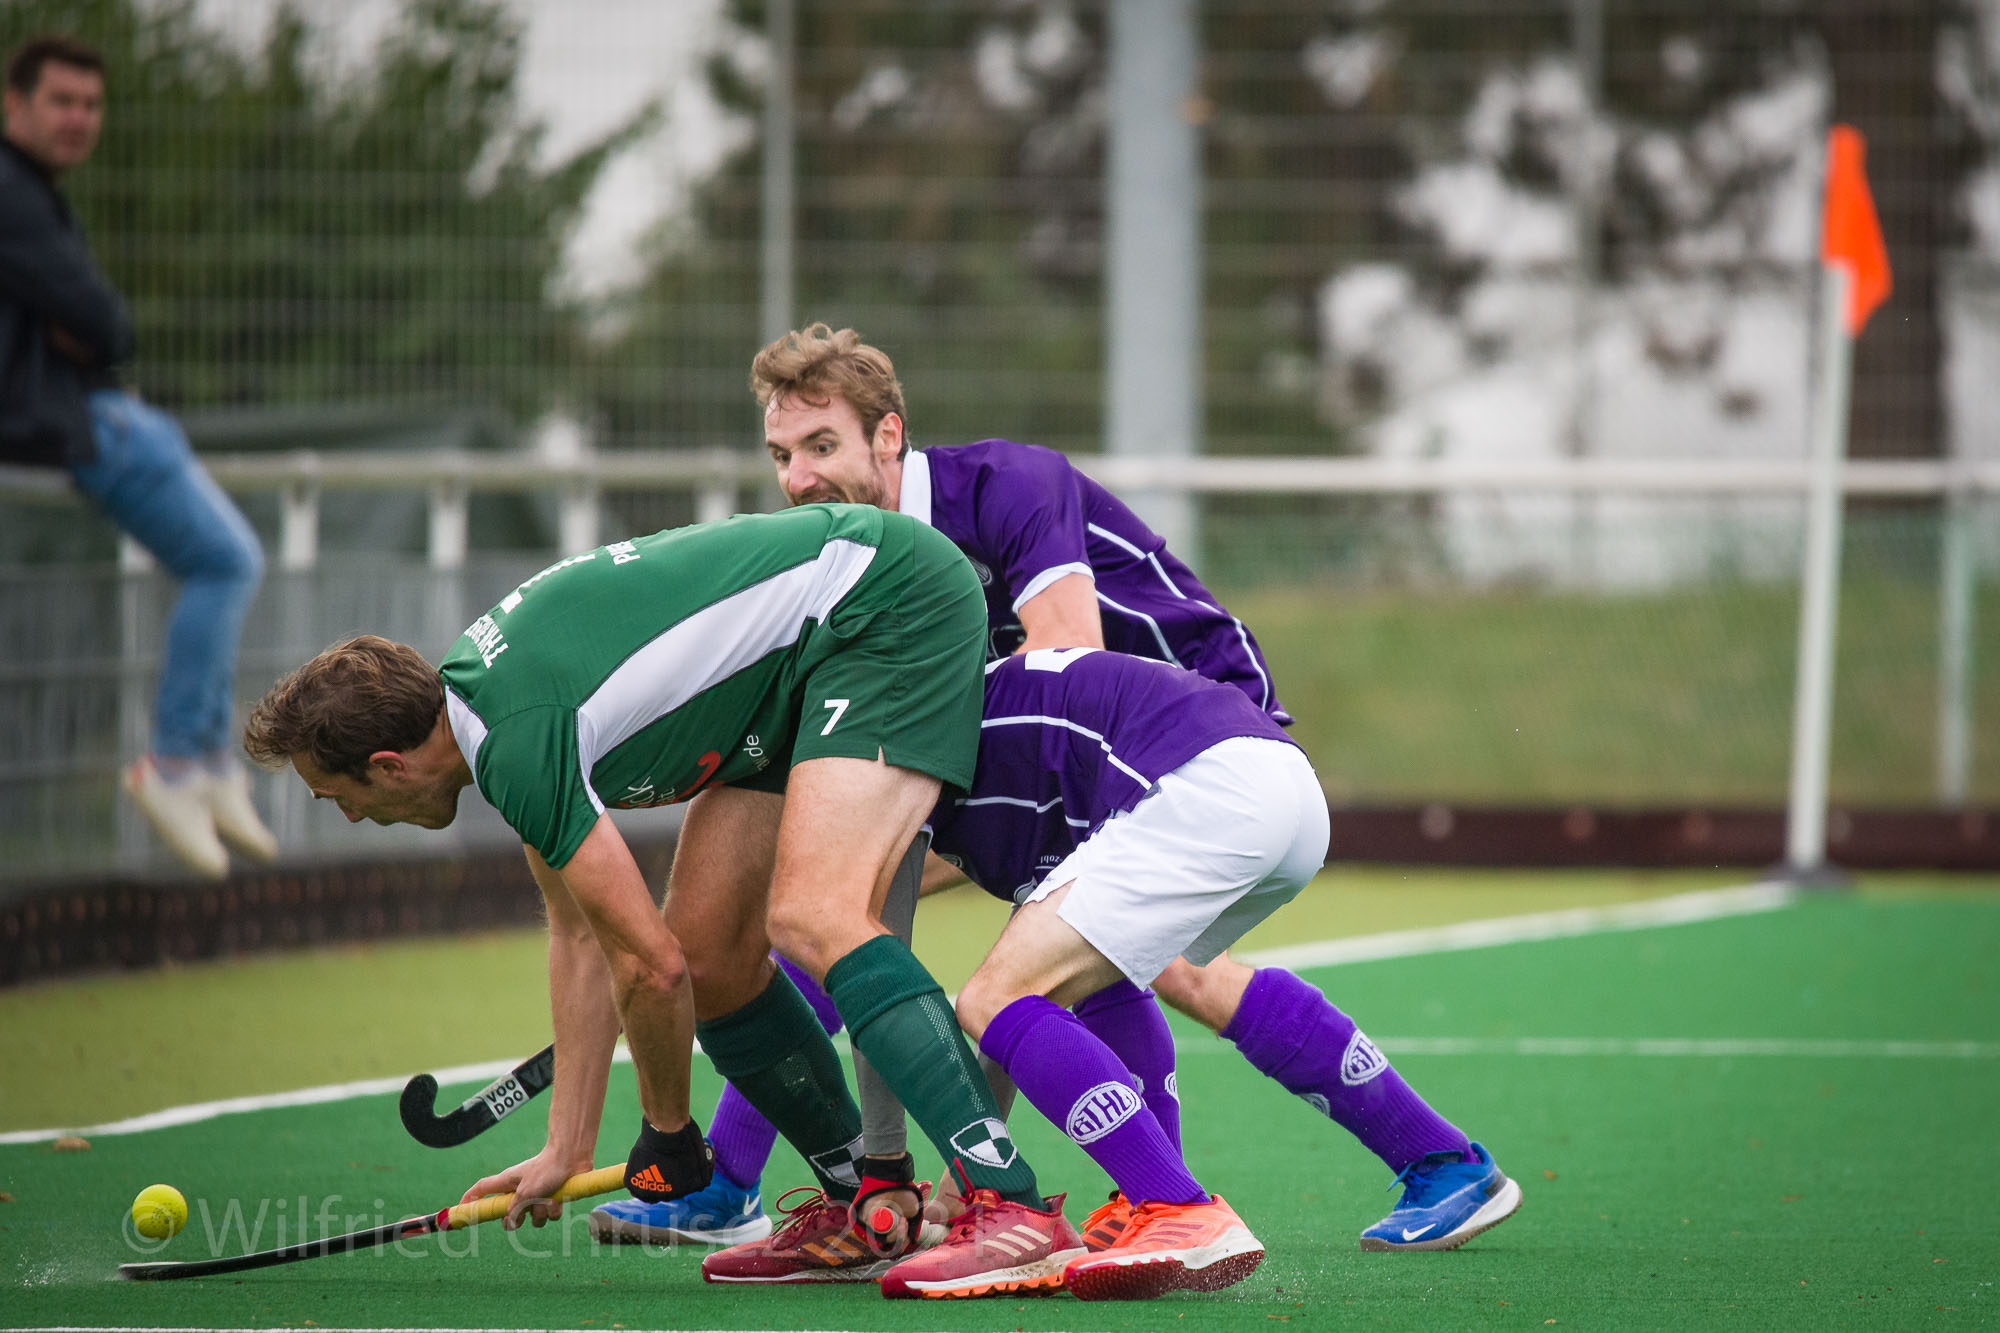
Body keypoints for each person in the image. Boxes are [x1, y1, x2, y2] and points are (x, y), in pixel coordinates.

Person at [242, 506, 1084, 1297]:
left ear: (388, 766)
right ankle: (865, 1202)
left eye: (339, 796)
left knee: (813, 914)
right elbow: (584, 936)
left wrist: (668, 1130)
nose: (350, 816)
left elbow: (649, 968)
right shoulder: (492, 720)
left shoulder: (512, 736)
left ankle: (1010, 1204)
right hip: (783, 683)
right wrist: (567, 1145)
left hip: (883, 603)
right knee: (716, 957)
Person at [1, 34, 274, 880]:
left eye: (91, 104)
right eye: (61, 100)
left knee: (214, 529)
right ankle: (179, 762)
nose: (79, 118)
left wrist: (89, 329)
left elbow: (97, 323)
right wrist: (89, 331)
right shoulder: (10, 191)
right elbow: (109, 325)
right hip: (59, 421)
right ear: (14, 104)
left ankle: (210, 759)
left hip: (78, 410)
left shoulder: (34, 193)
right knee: (226, 559)